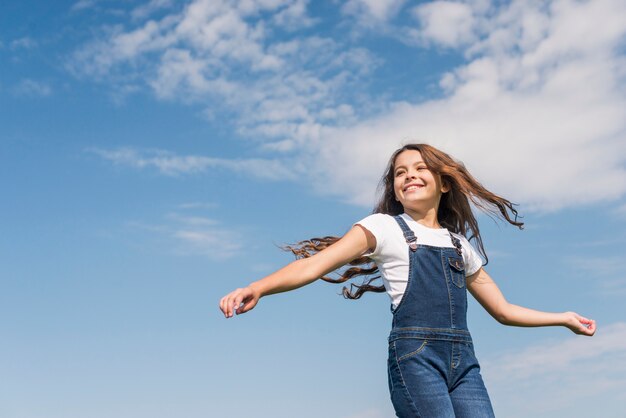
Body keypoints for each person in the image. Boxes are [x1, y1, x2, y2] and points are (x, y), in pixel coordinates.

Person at [219, 143, 596, 417]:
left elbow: (504, 310)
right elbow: (314, 265)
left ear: (443, 184)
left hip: (464, 364)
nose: (409, 176)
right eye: (400, 172)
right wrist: (258, 288)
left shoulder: (458, 245)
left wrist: (562, 317)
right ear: (395, 189)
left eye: (419, 168)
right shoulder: (382, 228)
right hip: (415, 358)